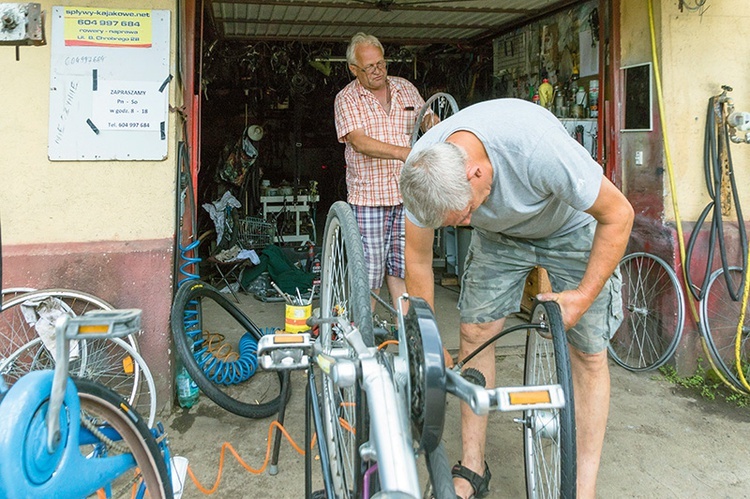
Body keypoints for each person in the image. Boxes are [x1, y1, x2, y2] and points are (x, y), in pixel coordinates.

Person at [400, 98, 634, 499]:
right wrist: (429, 341)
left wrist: (580, 297)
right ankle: (472, 468)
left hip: (569, 227)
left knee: (589, 352)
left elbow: (619, 214)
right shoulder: (424, 173)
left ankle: (583, 488)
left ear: (476, 173)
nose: (467, 223)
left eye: (467, 212)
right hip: (501, 240)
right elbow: (418, 257)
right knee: (474, 331)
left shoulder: (539, 149)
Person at [334, 32, 426, 309]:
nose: (378, 71)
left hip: (407, 195)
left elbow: (425, 116)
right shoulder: (347, 99)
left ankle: (404, 335)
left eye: (381, 64)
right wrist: (402, 153)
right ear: (354, 69)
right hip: (369, 199)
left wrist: (434, 122)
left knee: (402, 270)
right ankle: (364, 336)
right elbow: (359, 141)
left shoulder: (405, 88)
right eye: (369, 67)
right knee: (369, 275)